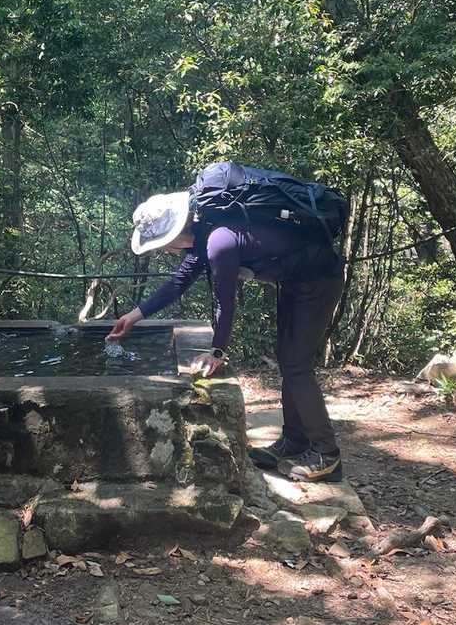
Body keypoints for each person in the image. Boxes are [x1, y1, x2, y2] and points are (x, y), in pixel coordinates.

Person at [107, 189, 346, 482]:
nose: (165, 250)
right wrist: (134, 316)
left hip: (319, 279)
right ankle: (294, 441)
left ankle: (326, 454)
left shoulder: (219, 241)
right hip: (296, 281)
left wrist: (217, 351)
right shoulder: (203, 236)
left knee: (297, 365)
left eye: (163, 243)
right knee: (289, 361)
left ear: (176, 232)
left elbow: (225, 301)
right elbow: (178, 282)